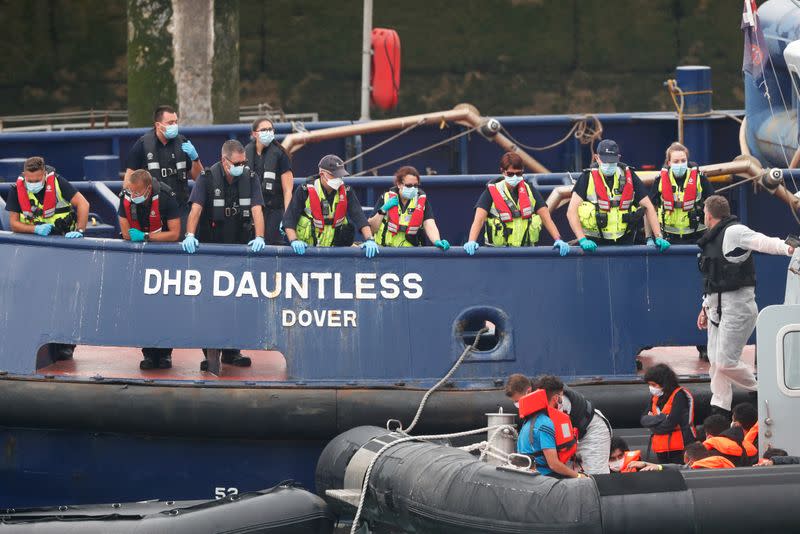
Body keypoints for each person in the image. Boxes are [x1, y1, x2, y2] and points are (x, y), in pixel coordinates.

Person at [696, 195, 794, 417]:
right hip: (716, 308)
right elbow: (712, 279)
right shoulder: (711, 238)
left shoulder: (734, 232)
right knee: (715, 363)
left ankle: (761, 389)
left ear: (708, 214)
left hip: (737, 308)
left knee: (724, 362)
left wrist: (789, 248)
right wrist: (704, 307)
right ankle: (719, 410)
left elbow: (763, 241)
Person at [182, 139, 268, 370]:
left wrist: (260, 237)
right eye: (237, 163)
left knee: (238, 303)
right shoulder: (207, 178)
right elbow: (196, 210)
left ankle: (233, 351)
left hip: (239, 250)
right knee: (209, 304)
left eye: (244, 162)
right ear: (225, 161)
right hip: (211, 251)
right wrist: (190, 235)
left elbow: (257, 210)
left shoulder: (250, 179)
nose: (242, 166)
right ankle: (210, 353)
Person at [4, 156, 90, 361]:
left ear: (44, 175)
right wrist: (35, 229)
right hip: (36, 247)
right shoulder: (16, 189)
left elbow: (84, 204)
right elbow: (14, 224)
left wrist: (79, 231)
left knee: (65, 294)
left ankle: (66, 344)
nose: (33, 184)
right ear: (24, 176)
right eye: (29, 180)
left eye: (36, 180)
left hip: (63, 244)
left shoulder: (59, 183)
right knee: (35, 294)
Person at [649, 142, 714, 361]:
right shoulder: (660, 181)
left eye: (683, 161)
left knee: (701, 292)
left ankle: (703, 343)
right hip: (669, 243)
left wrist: (712, 238)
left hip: (696, 241)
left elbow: (714, 206)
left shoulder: (700, 179)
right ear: (668, 163)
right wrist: (652, 238)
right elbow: (649, 208)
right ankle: (654, 337)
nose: (679, 165)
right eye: (675, 162)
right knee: (666, 292)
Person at [119, 169, 182, 369]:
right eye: (131, 192)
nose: (133, 196)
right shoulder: (126, 198)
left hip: (165, 258)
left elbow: (174, 233)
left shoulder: (166, 196)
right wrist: (137, 237)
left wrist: (146, 237)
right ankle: (148, 352)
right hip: (140, 258)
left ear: (148, 189)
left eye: (137, 193)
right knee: (142, 304)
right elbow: (125, 232)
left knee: (166, 305)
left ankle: (165, 354)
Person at [566, 139, 669, 252]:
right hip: (595, 244)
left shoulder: (629, 176)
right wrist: (582, 239)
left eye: (612, 161)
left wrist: (658, 236)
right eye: (605, 161)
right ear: (597, 158)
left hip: (625, 243)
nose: (609, 165)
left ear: (618, 158)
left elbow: (648, 207)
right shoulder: (586, 178)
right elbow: (571, 211)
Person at [463, 152, 569, 256]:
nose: (515, 177)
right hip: (497, 254)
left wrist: (558, 239)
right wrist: (471, 241)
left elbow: (546, 218)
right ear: (503, 172)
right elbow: (479, 220)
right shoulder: (491, 192)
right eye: (510, 174)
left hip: (525, 253)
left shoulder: (530, 190)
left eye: (518, 174)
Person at [506, 373, 611, 475]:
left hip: (592, 430)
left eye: (518, 401)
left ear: (528, 391)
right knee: (568, 476)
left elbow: (561, 433)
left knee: (595, 475)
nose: (518, 405)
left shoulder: (557, 400)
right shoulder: (536, 401)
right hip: (573, 433)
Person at [124, 105, 204, 230]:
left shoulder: (182, 142)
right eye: (170, 122)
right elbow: (128, 181)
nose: (174, 126)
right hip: (153, 210)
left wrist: (195, 158)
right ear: (158, 125)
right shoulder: (143, 145)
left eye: (176, 122)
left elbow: (199, 178)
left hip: (180, 209)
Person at [283, 155, 379, 258]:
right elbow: (289, 220)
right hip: (306, 251)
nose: (338, 179)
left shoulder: (347, 192)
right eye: (334, 176)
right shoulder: (305, 190)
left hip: (334, 251)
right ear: (322, 174)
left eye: (340, 176)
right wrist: (294, 240)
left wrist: (370, 239)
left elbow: (360, 218)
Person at [515, 375, 585, 478]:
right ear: (556, 398)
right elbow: (553, 464)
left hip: (528, 474)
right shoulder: (545, 423)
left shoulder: (529, 421)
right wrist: (578, 476)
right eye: (561, 397)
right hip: (543, 477)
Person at [368, 165, 449, 250]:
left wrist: (437, 241)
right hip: (386, 251)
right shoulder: (386, 198)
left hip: (411, 253)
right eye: (409, 186)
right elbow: (371, 229)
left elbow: (429, 224)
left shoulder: (421, 200)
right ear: (399, 184)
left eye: (416, 186)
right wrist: (383, 209)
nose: (413, 189)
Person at [245, 117, 293, 245]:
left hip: (274, 210)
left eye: (270, 129)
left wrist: (287, 217)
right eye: (264, 129)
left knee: (273, 246)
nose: (268, 132)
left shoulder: (281, 154)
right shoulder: (245, 153)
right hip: (250, 211)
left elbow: (288, 190)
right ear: (254, 134)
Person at [641, 363, 697, 464]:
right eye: (649, 385)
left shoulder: (679, 395)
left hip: (681, 448)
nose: (651, 388)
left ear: (664, 383)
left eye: (653, 385)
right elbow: (644, 419)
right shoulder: (655, 397)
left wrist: (653, 425)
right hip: (662, 448)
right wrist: (662, 417)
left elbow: (671, 423)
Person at [631, 441, 736, 471]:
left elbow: (680, 468)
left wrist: (656, 466)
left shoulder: (697, 469)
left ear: (689, 461)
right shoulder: (724, 463)